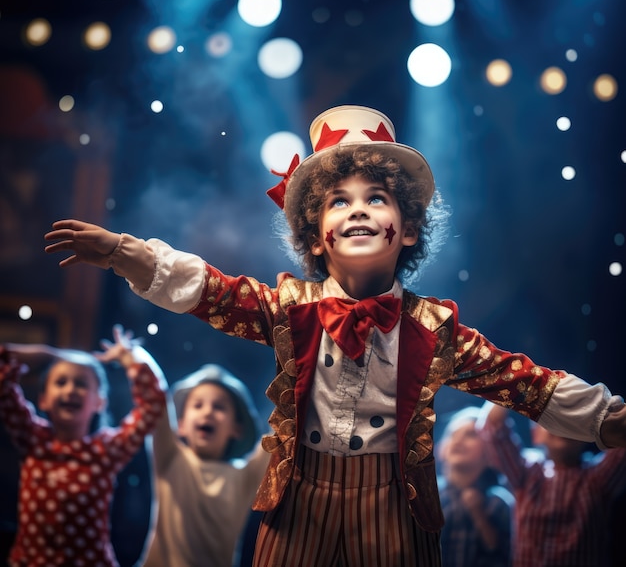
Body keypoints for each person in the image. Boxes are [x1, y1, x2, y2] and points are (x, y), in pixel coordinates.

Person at [43, 104, 626, 567]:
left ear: (409, 230)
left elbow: (520, 380)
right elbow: (212, 292)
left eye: (377, 197)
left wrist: (606, 419)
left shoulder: (435, 328)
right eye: (339, 201)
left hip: (396, 506)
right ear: (316, 236)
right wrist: (124, 250)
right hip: (300, 499)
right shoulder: (286, 308)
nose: (359, 210)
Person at [0, 325, 166, 567]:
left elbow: (152, 408)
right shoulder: (33, 439)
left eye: (80, 384)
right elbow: (3, 385)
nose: (70, 390)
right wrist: (49, 354)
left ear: (99, 402)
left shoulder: (106, 450)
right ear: (43, 399)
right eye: (61, 382)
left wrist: (131, 360)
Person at [141, 360, 269, 567]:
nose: (207, 412)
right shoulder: (170, 458)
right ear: (179, 425)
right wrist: (134, 358)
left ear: (237, 428)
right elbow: (157, 399)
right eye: (198, 405)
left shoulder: (245, 478)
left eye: (219, 406)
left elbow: (281, 433)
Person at [478, 401, 626, 567]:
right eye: (552, 420)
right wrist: (523, 382)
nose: (562, 426)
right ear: (536, 434)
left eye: (572, 421)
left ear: (589, 434)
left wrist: (599, 402)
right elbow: (492, 427)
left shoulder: (598, 478)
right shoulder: (526, 472)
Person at [437, 406, 513, 567]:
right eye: (452, 434)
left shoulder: (498, 502)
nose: (458, 440)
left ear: (490, 452)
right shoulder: (430, 495)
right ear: (440, 449)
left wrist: (479, 514)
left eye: (470, 435)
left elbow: (504, 552)